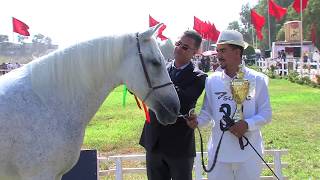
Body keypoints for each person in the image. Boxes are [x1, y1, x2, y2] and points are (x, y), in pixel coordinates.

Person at [187, 30, 272, 180]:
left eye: (223, 50)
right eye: (218, 50)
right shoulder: (212, 81)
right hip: (219, 154)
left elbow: (266, 114)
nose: (218, 55)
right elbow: (207, 113)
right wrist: (196, 122)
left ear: (237, 52)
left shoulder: (258, 79)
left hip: (249, 154)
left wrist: (247, 124)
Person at [139, 30, 207, 180]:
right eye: (178, 44)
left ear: (195, 52)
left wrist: (155, 82)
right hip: (154, 141)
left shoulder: (199, 77)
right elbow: (144, 91)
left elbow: (182, 101)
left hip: (179, 146)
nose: (178, 48)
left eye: (185, 47)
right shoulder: (160, 69)